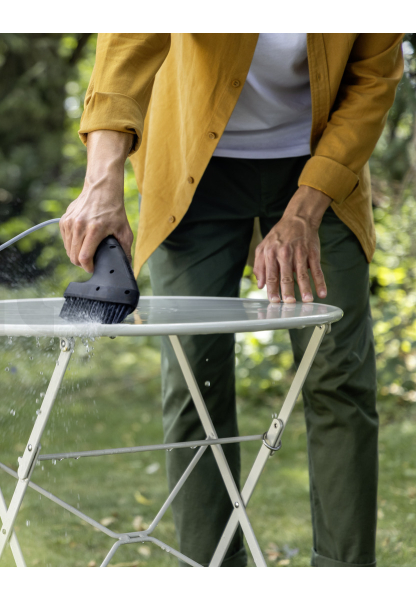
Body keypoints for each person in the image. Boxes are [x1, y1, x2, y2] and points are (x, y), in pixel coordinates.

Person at [60, 33, 405, 567]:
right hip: (192, 164)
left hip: (322, 163)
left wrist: (304, 211)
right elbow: (128, 44)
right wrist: (101, 184)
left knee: (337, 372)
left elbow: (373, 80)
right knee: (193, 376)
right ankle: (210, 571)